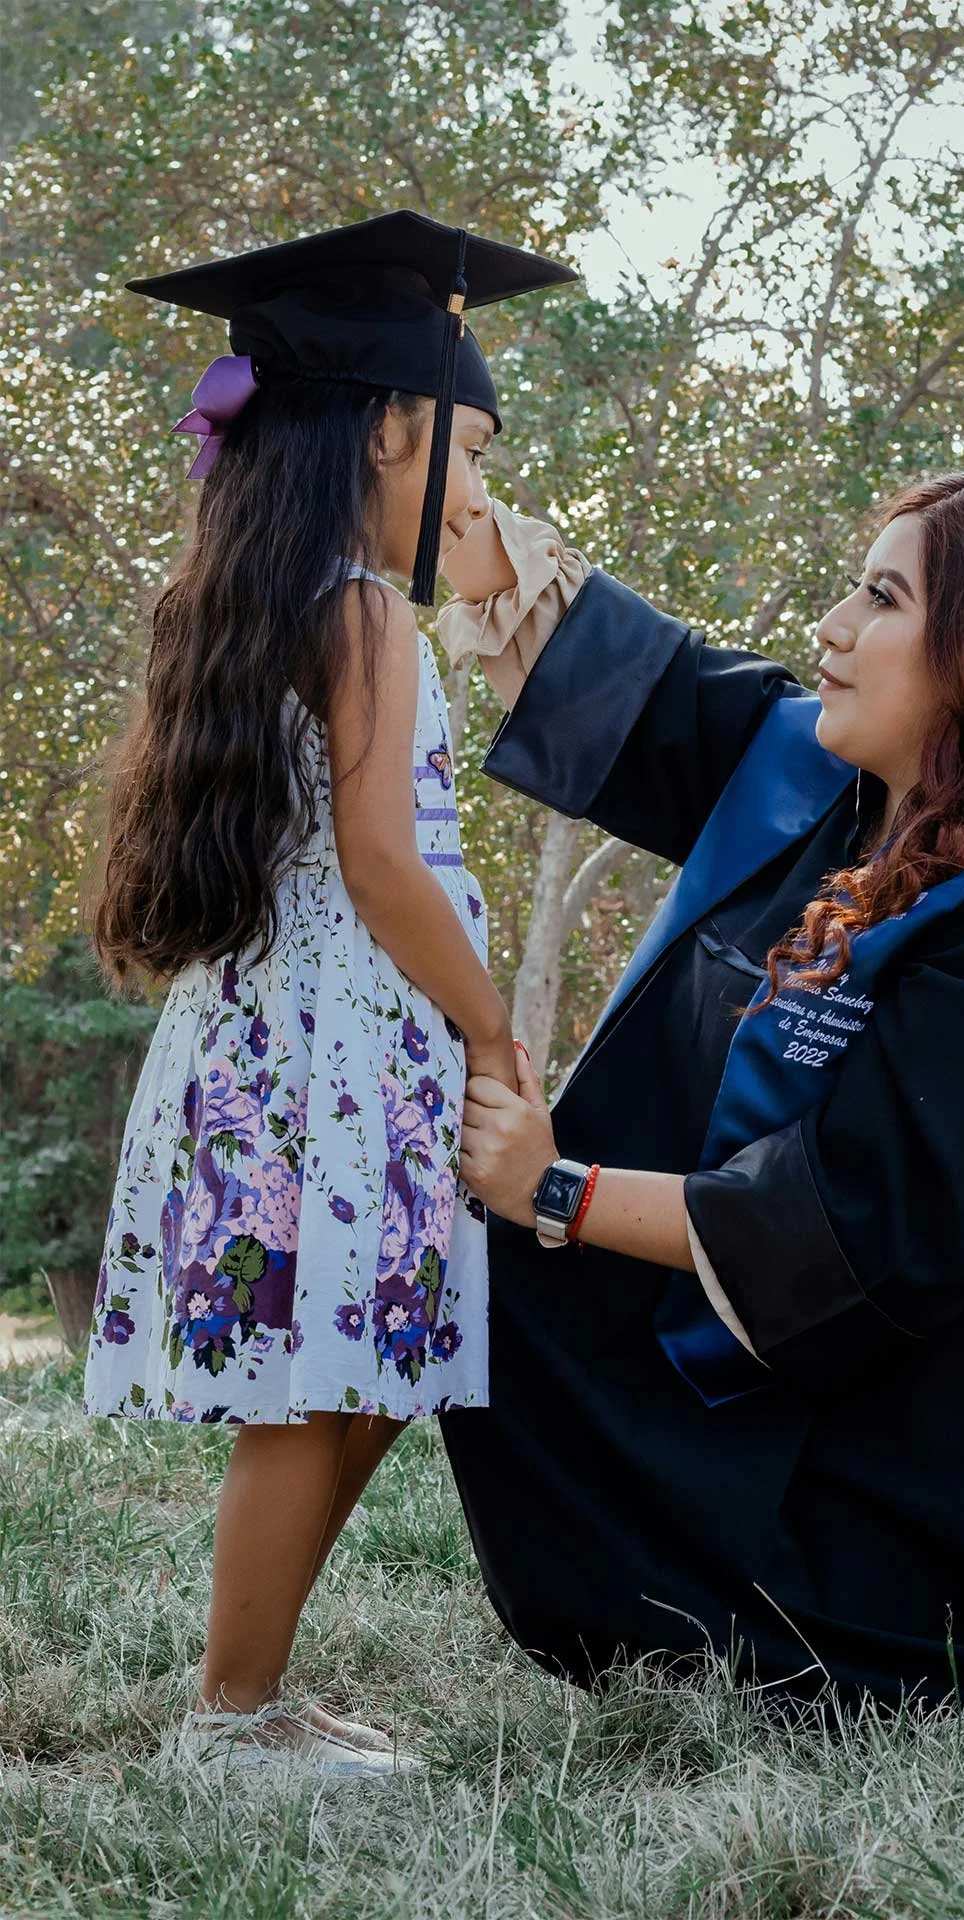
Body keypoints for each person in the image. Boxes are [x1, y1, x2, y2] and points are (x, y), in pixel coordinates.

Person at [438, 471, 964, 1712]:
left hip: (950, 1487)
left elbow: (857, 1225)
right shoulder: (841, 800)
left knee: (511, 1258)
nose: (829, 625)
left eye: (880, 597)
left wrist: (552, 1189)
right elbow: (649, 686)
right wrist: (443, 493)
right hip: (816, 1389)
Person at [83, 211, 575, 1771]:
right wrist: (496, 1032)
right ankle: (229, 1719)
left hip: (288, 1036)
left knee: (355, 1373)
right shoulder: (364, 612)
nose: (478, 495)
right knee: (319, 1393)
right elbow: (381, 865)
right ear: (391, 428)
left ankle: (259, 1696)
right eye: (470, 455)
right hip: (343, 1045)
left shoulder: (267, 600)